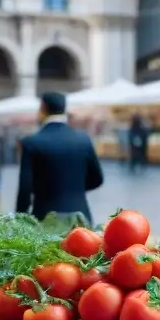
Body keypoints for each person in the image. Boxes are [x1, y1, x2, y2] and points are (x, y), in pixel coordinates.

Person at [15, 93, 103, 224]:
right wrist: (72, 188)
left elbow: (25, 189)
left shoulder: (32, 143)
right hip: (81, 220)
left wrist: (18, 220)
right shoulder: (83, 140)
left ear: (43, 108)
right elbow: (97, 179)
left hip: (45, 220)